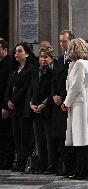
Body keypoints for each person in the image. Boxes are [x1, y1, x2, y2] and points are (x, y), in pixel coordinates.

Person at [61, 38, 88, 180]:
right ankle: (85, 170)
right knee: (82, 142)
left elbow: (76, 87)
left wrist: (66, 102)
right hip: (82, 104)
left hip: (81, 105)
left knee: (81, 142)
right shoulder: (86, 63)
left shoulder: (79, 64)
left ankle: (82, 171)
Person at [4, 42, 35, 172]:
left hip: (23, 106)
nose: (16, 53)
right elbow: (9, 87)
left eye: (20, 51)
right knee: (16, 135)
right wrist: (8, 100)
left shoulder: (31, 69)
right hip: (14, 108)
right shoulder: (14, 70)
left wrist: (14, 100)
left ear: (27, 54)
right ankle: (19, 160)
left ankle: (25, 161)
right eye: (16, 51)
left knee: (25, 135)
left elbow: (26, 88)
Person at [49, 30, 75, 176]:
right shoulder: (59, 60)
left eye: (64, 41)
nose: (61, 44)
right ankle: (65, 166)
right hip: (57, 103)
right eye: (60, 41)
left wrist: (63, 97)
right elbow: (54, 80)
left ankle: (71, 167)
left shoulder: (75, 60)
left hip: (68, 103)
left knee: (69, 136)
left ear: (71, 41)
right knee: (60, 136)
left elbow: (73, 84)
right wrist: (54, 95)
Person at [26, 45, 56, 174]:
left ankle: (51, 166)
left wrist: (44, 104)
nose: (43, 60)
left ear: (51, 58)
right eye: (41, 57)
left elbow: (52, 92)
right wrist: (31, 103)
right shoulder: (35, 72)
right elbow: (32, 90)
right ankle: (42, 166)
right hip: (35, 110)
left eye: (46, 57)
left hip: (47, 110)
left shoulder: (53, 73)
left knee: (49, 140)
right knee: (39, 140)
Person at [0, 39, 13, 169]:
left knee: (6, 134)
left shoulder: (9, 63)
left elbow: (7, 87)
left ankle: (7, 161)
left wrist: (4, 106)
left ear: (4, 49)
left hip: (4, 105)